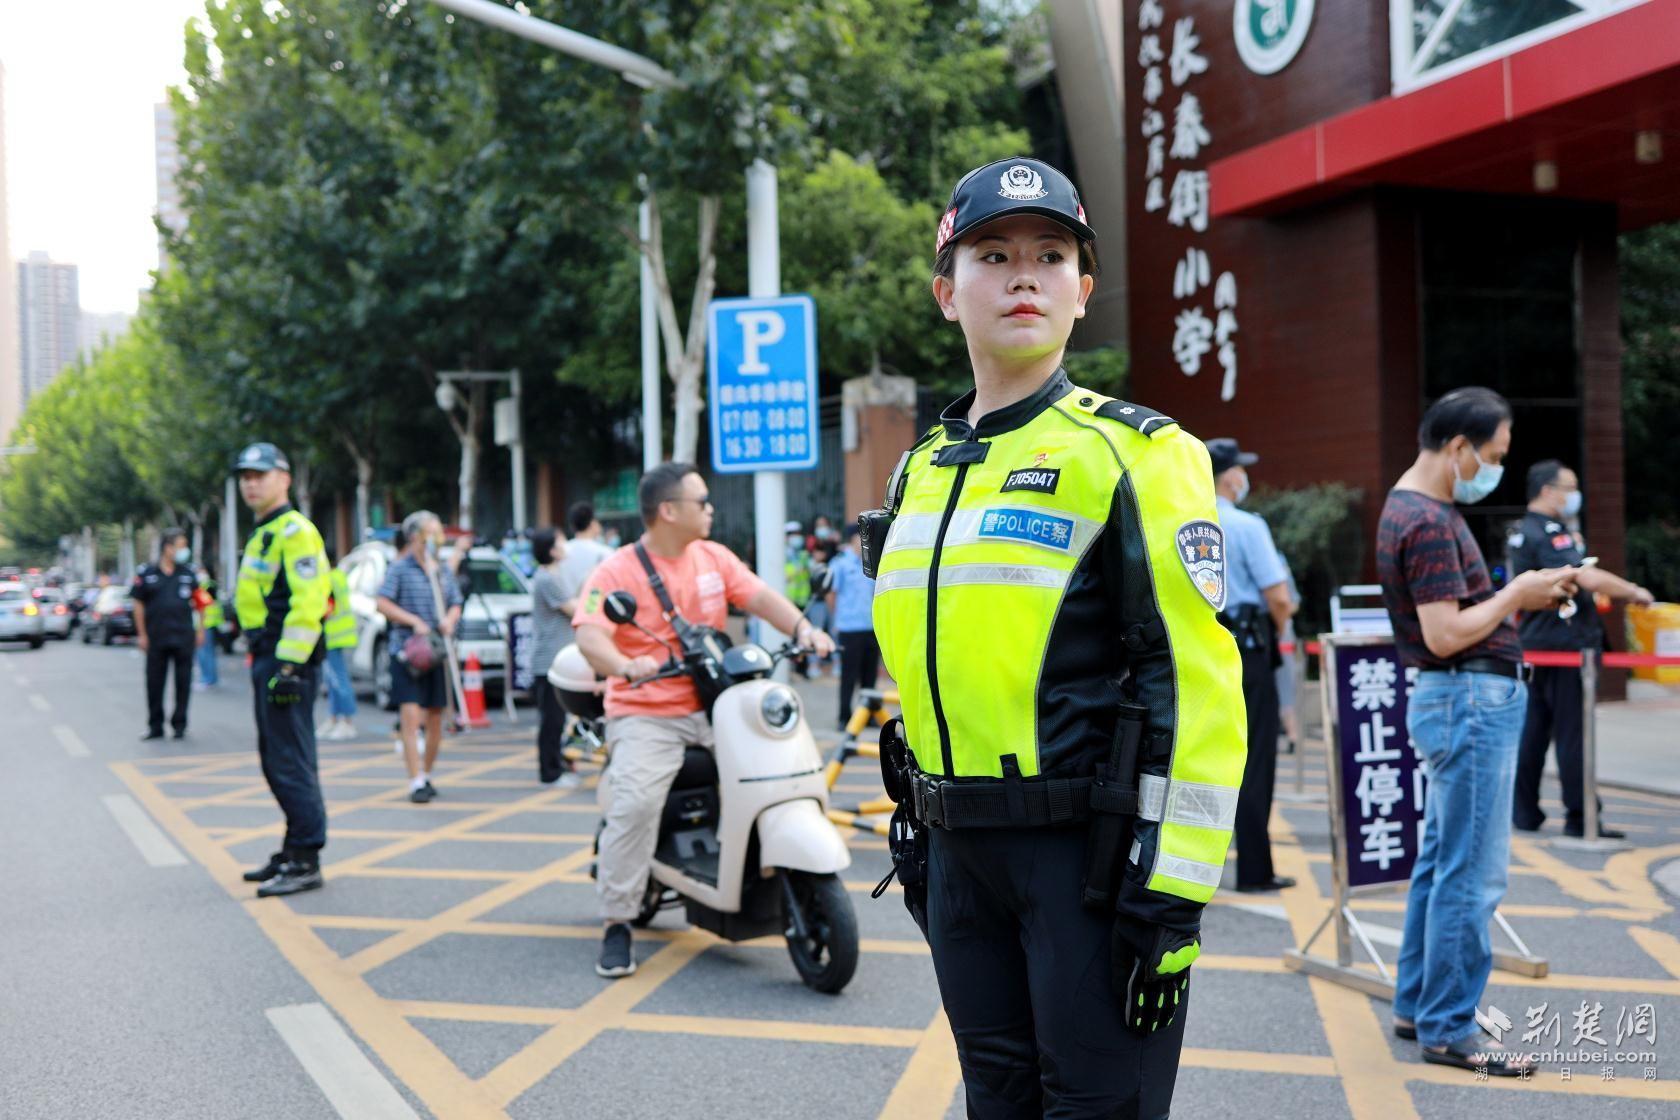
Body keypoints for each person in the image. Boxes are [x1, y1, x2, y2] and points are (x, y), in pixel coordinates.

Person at [870, 156, 1247, 1117]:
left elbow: (1195, 685)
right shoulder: (921, 471)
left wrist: (1171, 897)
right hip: (958, 861)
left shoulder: (1138, 453)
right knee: (995, 1101)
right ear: (947, 292)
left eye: (1051, 255)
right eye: (994, 255)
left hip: (1083, 862)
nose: (1024, 275)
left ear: (1083, 292)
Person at [1376, 388, 1577, 1074]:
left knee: (1441, 864)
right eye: (1492, 455)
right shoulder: (1429, 520)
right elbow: (1445, 632)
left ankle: (1418, 1007)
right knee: (1471, 873)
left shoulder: (1413, 507)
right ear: (1459, 446)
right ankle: (1448, 1026)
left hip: (1456, 700)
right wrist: (1517, 595)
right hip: (1467, 699)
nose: (1494, 467)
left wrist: (1519, 594)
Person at [572, 462, 835, 979]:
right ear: (669, 511)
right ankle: (618, 923)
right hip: (647, 713)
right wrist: (626, 666)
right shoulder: (616, 571)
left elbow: (758, 597)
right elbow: (589, 634)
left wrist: (805, 628)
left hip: (717, 705)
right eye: (703, 502)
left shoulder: (713, 557)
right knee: (637, 803)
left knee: (777, 770)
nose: (711, 509)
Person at [1509, 460, 1653, 839]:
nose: (1574, 496)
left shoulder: (1521, 532)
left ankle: (1524, 812)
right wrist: (1634, 591)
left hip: (1536, 648)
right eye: (1569, 488)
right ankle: (1581, 817)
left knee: (1533, 733)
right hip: (1565, 647)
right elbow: (1582, 575)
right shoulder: (1550, 532)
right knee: (1574, 735)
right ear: (1547, 491)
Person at [231, 442, 332, 897]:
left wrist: (289, 665)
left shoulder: (295, 531)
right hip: (268, 655)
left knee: (290, 760)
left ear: (284, 478)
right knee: (278, 759)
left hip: (286, 661)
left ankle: (306, 857)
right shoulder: (265, 531)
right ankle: (294, 847)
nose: (251, 483)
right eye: (245, 476)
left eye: (260, 475)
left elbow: (310, 600)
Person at [1209, 438, 1298, 893]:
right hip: (1247, 648)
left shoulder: (1182, 519)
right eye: (1241, 469)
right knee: (1255, 758)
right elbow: (1279, 597)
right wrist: (1278, 631)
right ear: (1230, 476)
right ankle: (1255, 870)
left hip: (1199, 650)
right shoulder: (1246, 525)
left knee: (1204, 759)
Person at [376, 511, 463, 803]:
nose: (436, 540)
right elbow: (382, 602)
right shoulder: (400, 569)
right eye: (430, 533)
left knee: (436, 717)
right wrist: (412, 620)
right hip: (407, 654)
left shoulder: (440, 570)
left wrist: (450, 619)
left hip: (436, 654)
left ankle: (426, 774)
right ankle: (415, 781)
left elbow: (455, 602)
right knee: (411, 716)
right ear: (415, 537)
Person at [131, 529, 201, 741]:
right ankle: (155, 726)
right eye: (181, 546)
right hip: (156, 638)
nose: (184, 550)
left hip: (183, 636)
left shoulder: (188, 574)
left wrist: (201, 630)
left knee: (183, 682)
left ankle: (180, 724)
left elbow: (201, 603)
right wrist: (142, 634)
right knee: (154, 683)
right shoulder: (146, 573)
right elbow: (138, 605)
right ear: (167, 548)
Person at [529, 527, 581, 788]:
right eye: (561, 542)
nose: (565, 545)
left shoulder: (552, 576)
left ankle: (557, 765)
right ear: (551, 550)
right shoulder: (548, 579)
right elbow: (575, 610)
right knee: (552, 720)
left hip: (554, 658)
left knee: (557, 719)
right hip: (549, 660)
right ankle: (549, 773)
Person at [827, 523, 879, 728]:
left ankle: (868, 716)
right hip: (849, 629)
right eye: (861, 537)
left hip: (870, 627)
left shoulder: (871, 562)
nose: (865, 541)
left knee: (869, 676)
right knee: (849, 675)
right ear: (852, 539)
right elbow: (832, 594)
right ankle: (844, 716)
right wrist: (837, 619)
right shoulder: (840, 564)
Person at [317, 563, 359, 741]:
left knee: (339, 679)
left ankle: (347, 721)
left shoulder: (326, 580)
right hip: (339, 634)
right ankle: (334, 718)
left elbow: (327, 608)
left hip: (334, 635)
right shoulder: (338, 576)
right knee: (333, 680)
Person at [192, 570, 223, 691]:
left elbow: (203, 606)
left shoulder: (204, 587)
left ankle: (208, 679)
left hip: (205, 624)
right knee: (207, 652)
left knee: (204, 653)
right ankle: (210, 678)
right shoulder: (210, 585)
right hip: (207, 624)